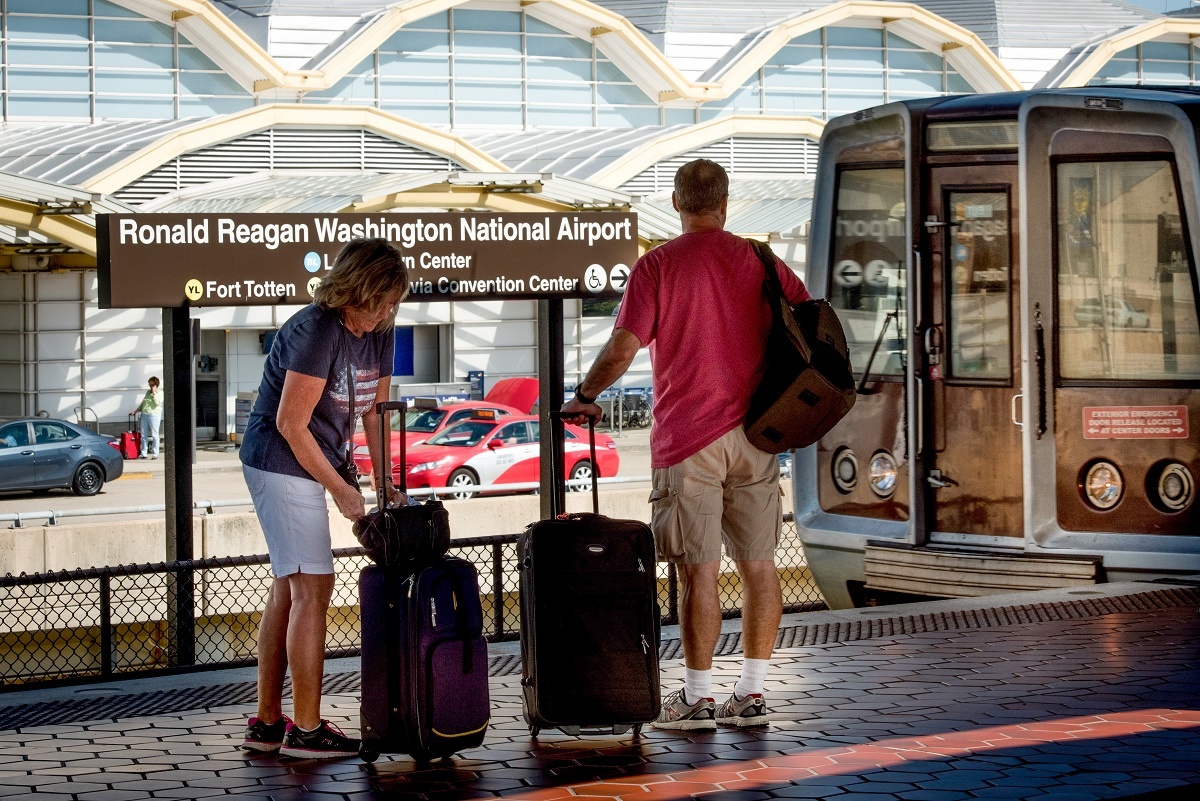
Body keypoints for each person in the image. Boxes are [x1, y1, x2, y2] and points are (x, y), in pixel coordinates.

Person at [561, 159, 810, 731]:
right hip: (758, 434)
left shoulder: (657, 266)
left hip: (689, 440)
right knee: (760, 566)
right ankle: (750, 694)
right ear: (727, 201)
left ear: (676, 203)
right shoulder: (761, 259)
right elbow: (807, 319)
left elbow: (623, 350)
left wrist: (585, 394)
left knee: (699, 572)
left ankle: (696, 698)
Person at [239, 238, 408, 759]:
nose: (387, 312)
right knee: (314, 584)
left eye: (393, 304)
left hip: (318, 459)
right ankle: (306, 732)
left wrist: (383, 484)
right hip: (279, 458)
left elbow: (374, 413)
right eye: (382, 300)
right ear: (357, 290)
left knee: (290, 587)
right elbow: (291, 424)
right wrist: (341, 492)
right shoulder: (316, 330)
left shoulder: (379, 330)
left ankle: (268, 724)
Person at [132, 377, 163, 459]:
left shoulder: (160, 393)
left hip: (154, 415)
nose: (150, 386)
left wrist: (154, 393)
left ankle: (155, 453)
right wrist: (136, 411)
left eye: (152, 385)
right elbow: (143, 403)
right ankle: (144, 453)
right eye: (149, 385)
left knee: (155, 434)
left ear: (156, 385)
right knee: (143, 435)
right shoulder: (147, 392)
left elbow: (157, 403)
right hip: (144, 414)